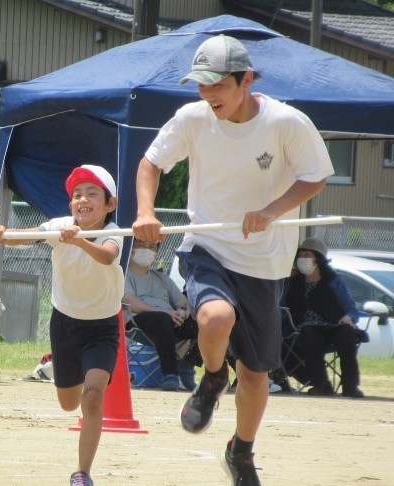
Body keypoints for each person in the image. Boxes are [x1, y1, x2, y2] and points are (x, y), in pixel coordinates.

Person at [132, 34, 334, 485]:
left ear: (245, 80)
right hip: (208, 247)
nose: (207, 95)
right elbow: (150, 164)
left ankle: (241, 452)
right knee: (215, 318)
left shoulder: (286, 122)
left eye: (216, 85)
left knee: (258, 372)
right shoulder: (192, 118)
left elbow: (315, 176)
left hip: (264, 263)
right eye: (200, 86)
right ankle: (212, 377)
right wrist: (145, 212)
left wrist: (270, 211)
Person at [0, 164, 123, 486]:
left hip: (102, 327)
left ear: (110, 204)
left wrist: (78, 242)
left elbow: (106, 256)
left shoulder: (113, 232)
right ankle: (60, 374)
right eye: (77, 195)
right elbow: (28, 237)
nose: (83, 200)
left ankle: (82, 473)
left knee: (92, 396)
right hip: (64, 323)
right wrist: (2, 234)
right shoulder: (60, 226)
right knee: (68, 403)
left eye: (92, 193)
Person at [284, 237, 364, 398]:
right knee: (310, 334)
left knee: (347, 335)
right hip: (305, 327)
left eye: (307, 255)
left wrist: (349, 317)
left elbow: (350, 307)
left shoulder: (334, 281)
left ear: (318, 259)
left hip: (334, 323)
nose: (302, 258)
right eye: (300, 255)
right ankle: (321, 384)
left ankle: (351, 386)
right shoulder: (292, 282)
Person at [123, 237, 199, 391]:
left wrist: (183, 312)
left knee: (205, 318)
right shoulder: (124, 274)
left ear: (157, 252)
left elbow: (183, 302)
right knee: (161, 320)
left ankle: (188, 364)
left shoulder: (161, 277)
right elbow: (131, 302)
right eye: (141, 245)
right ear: (131, 249)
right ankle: (170, 374)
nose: (146, 249)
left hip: (170, 318)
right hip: (138, 319)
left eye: (151, 246)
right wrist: (166, 312)